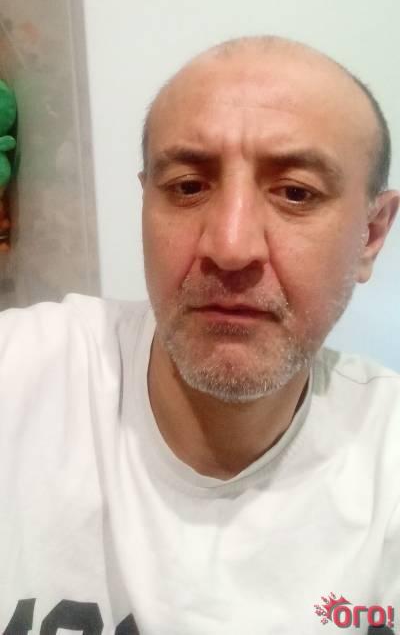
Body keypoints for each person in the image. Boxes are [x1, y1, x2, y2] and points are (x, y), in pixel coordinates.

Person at [0, 36, 399, 635]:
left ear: (371, 235)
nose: (230, 246)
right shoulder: (20, 378)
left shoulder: (387, 464)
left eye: (296, 193)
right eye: (188, 186)